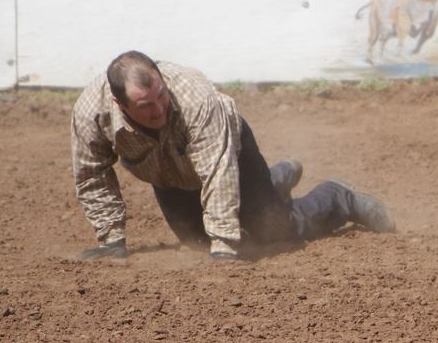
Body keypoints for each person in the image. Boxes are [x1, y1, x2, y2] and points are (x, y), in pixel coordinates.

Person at [71, 51, 395, 261]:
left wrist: (225, 246)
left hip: (230, 157)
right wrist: (111, 239)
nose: (159, 109)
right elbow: (92, 175)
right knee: (196, 241)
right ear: (120, 105)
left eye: (161, 96)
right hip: (170, 177)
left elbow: (217, 171)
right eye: (146, 107)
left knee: (274, 231)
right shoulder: (91, 115)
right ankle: (277, 180)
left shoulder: (195, 96)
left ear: (163, 80)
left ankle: (340, 198)